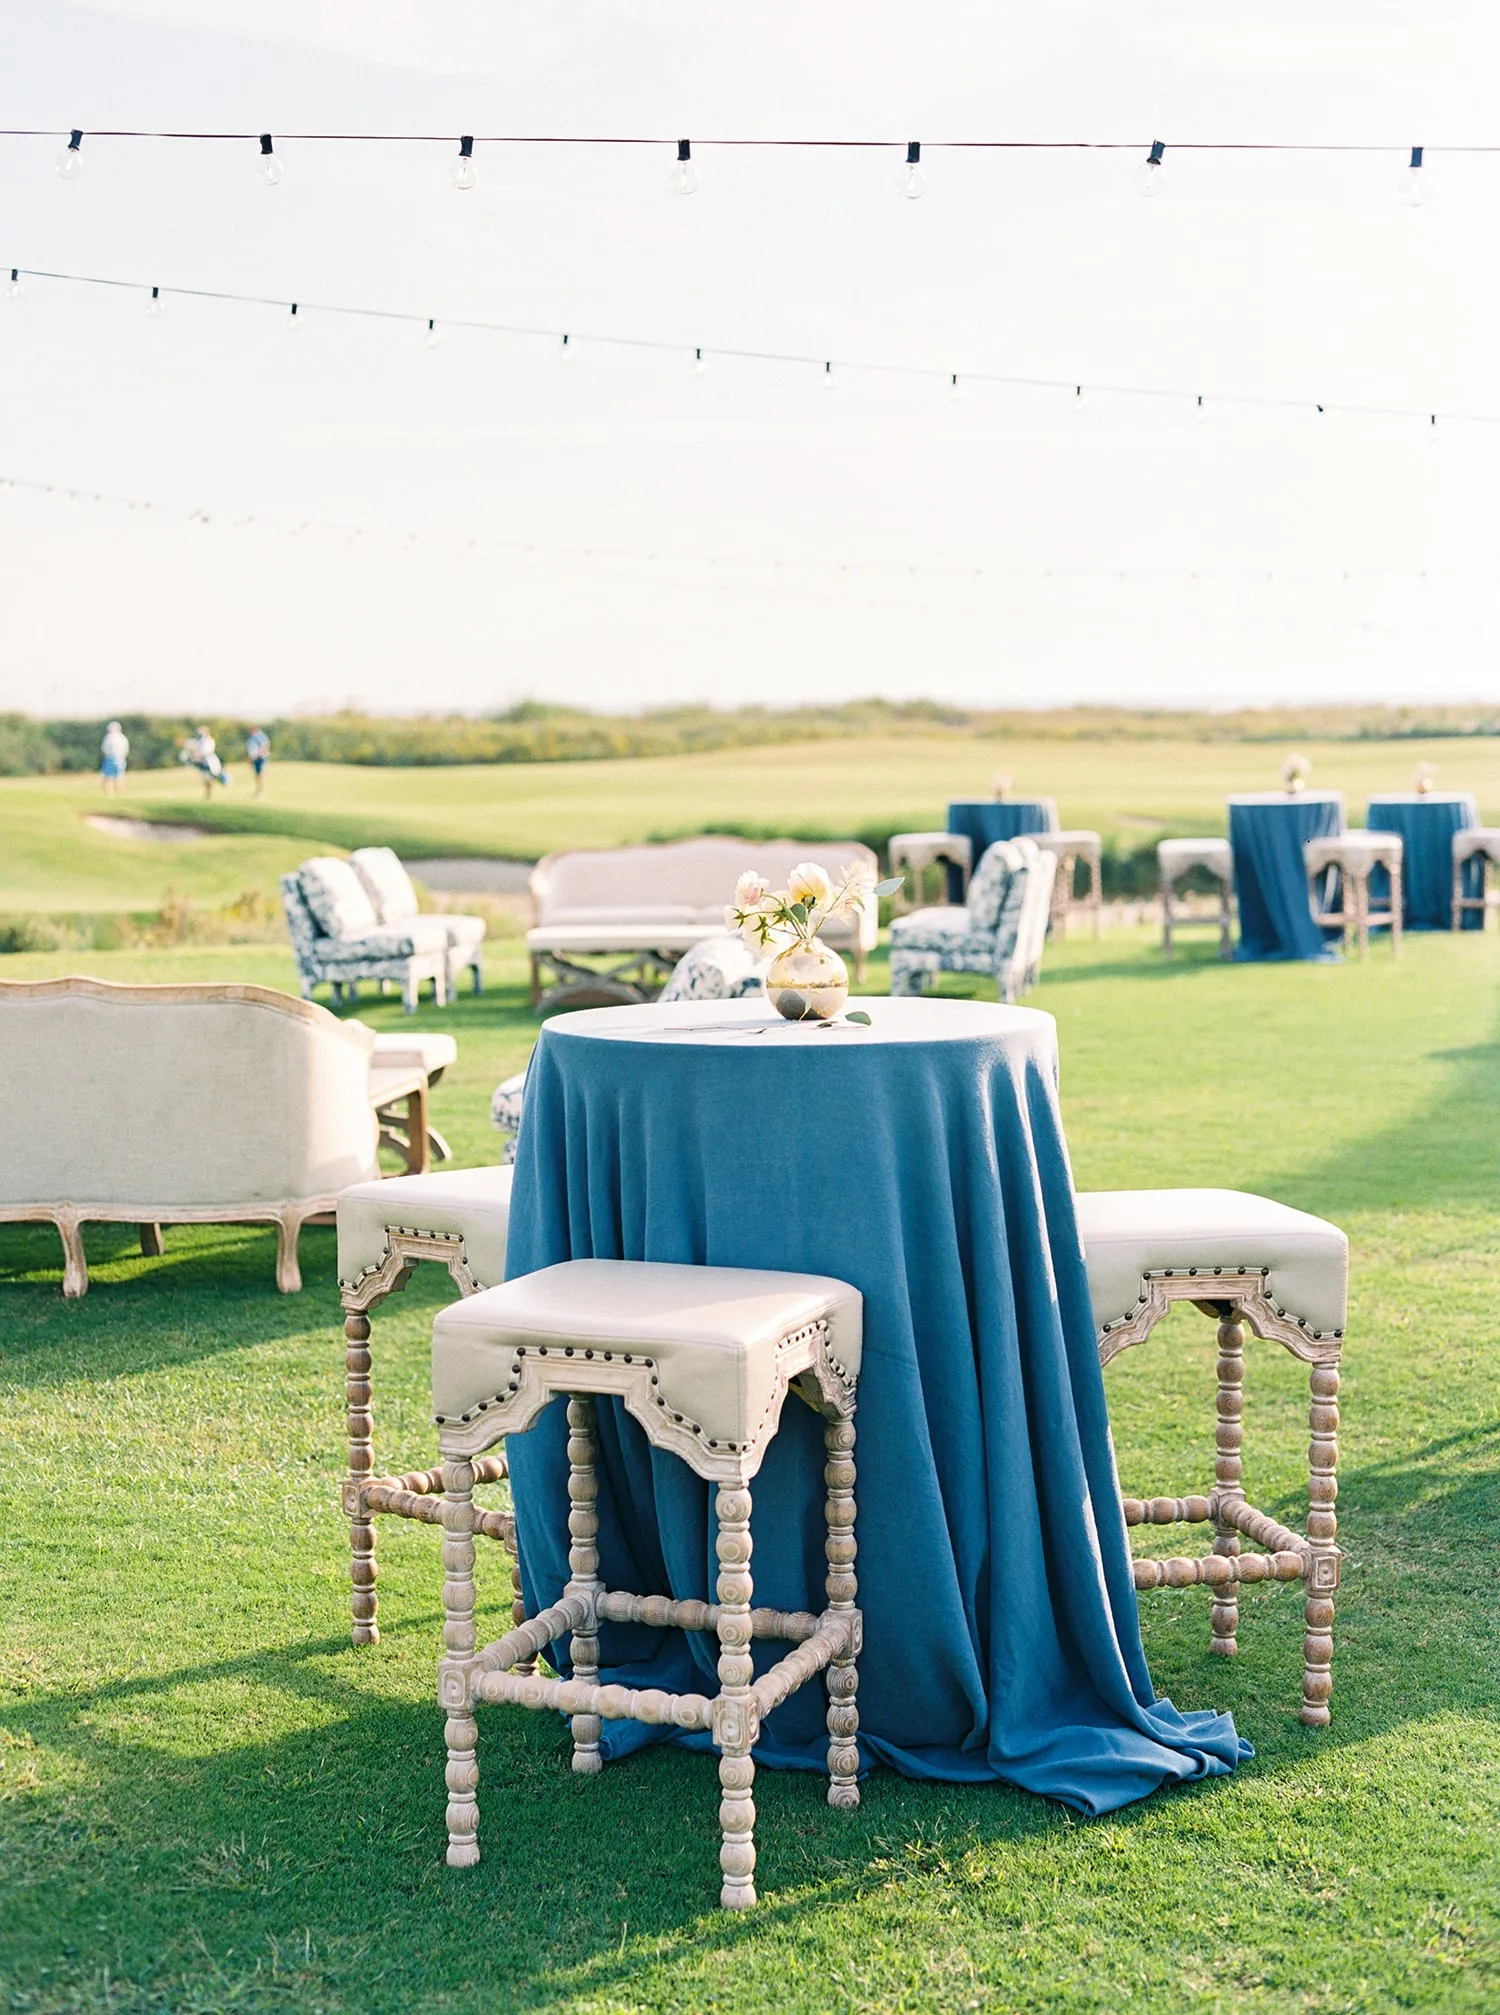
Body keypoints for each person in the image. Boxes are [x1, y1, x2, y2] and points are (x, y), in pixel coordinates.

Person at [179, 726, 230, 800]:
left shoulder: (209, 740)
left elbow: (205, 751)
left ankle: (224, 782)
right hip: (203, 763)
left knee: (214, 775)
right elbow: (192, 745)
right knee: (206, 779)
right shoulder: (199, 741)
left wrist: (198, 756)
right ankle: (208, 795)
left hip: (209, 762)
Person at [99, 720, 129, 796]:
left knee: (107, 777)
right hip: (121, 759)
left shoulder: (109, 737)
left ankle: (108, 794)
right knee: (119, 777)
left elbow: (104, 749)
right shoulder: (123, 738)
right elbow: (126, 750)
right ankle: (119, 793)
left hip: (110, 758)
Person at [246, 725, 270, 796]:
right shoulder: (252, 738)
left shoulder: (259, 736)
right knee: (257, 775)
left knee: (260, 774)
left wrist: (260, 754)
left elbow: (265, 745)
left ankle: (262, 790)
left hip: (260, 758)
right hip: (255, 758)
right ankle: (258, 789)